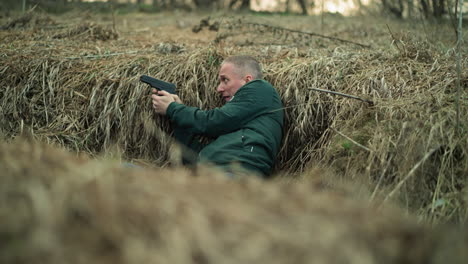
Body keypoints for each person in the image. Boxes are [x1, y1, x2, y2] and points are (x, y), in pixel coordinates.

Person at [151, 55, 284, 178]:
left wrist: (173, 109)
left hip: (237, 176)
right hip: (208, 177)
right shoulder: (238, 127)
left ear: (247, 80)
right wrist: (176, 112)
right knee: (130, 171)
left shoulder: (261, 88)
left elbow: (214, 121)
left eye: (225, 80)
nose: (219, 88)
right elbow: (191, 157)